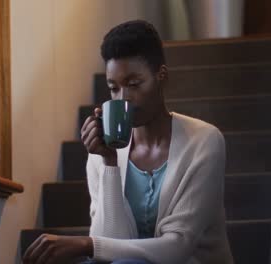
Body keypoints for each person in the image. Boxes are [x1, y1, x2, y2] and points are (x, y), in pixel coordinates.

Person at [23, 20, 233, 264]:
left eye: (134, 85)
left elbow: (177, 248)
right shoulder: (101, 152)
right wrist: (109, 162)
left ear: (160, 76)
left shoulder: (204, 142)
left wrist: (85, 244)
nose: (123, 99)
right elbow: (108, 248)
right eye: (113, 88)